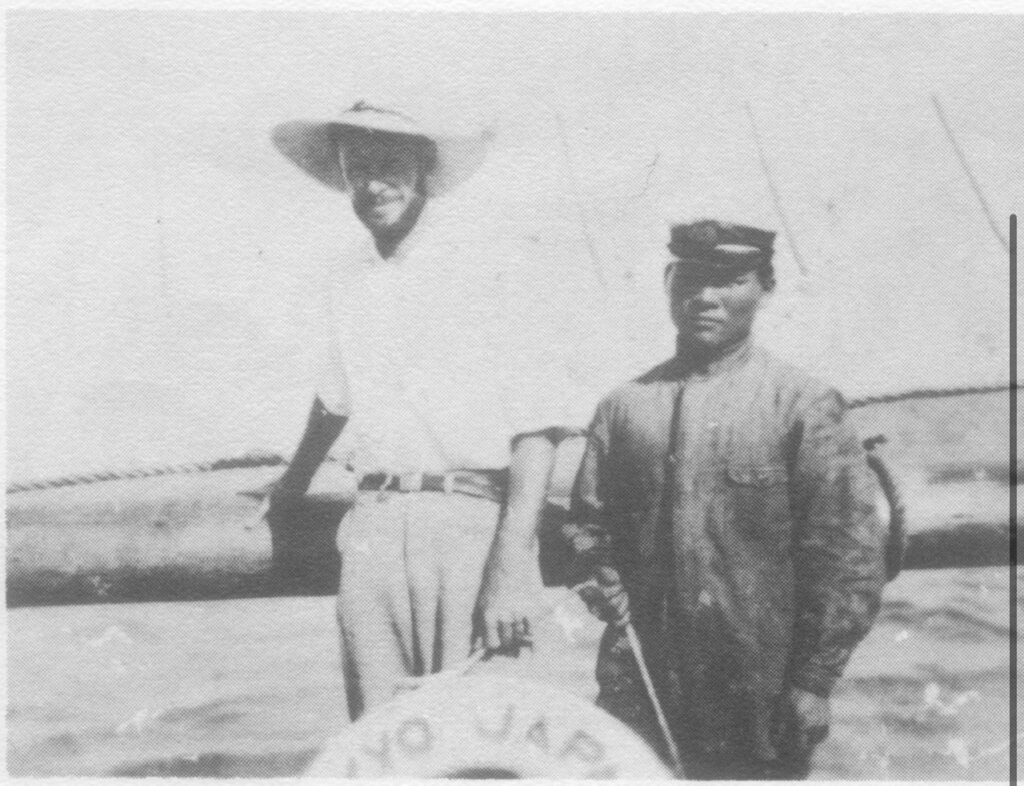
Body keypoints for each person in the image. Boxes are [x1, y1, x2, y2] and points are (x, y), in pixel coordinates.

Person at [268, 101, 584, 720]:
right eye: (357, 169)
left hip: (469, 525)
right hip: (372, 530)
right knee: (386, 741)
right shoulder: (347, 279)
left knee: (487, 730)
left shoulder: (492, 266)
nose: (373, 185)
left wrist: (512, 566)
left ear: (424, 169)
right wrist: (291, 485)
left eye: (389, 166)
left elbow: (537, 430)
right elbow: (334, 400)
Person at [566, 219, 887, 779]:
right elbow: (586, 528)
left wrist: (814, 683)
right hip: (640, 689)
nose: (705, 298)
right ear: (669, 283)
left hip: (759, 695)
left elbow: (848, 555)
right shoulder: (623, 408)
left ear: (765, 287)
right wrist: (598, 574)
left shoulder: (803, 404)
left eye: (730, 281)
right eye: (689, 280)